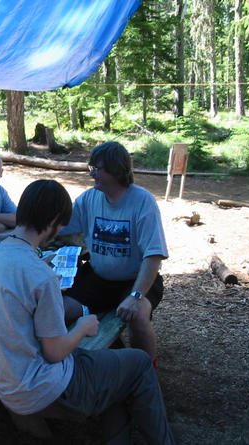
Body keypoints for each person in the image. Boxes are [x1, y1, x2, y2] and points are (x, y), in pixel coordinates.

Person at [0, 179, 175, 445]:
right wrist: (82, 328)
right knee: (140, 363)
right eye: (61, 225)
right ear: (53, 221)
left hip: (6, 382)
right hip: (45, 387)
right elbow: (55, 352)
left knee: (115, 373)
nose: (60, 231)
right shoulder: (41, 276)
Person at [59, 141, 168, 360]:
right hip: (97, 280)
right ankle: (64, 364)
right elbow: (59, 224)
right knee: (60, 309)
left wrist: (136, 296)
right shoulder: (89, 198)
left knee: (137, 315)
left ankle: (146, 369)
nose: (91, 174)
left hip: (135, 282)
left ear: (115, 169)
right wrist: (19, 225)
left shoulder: (142, 201)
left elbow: (153, 255)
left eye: (96, 168)